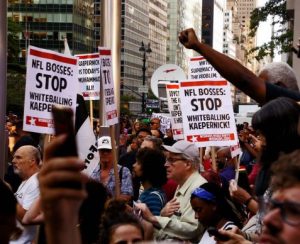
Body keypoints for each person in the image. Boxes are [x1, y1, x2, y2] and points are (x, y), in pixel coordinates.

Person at [178, 28, 300, 104]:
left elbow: (245, 80)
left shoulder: (292, 109)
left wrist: (199, 46)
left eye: (262, 85)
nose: (257, 101)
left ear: (279, 87)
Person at [135, 140, 207, 242]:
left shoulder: (198, 188)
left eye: (172, 160)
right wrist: (162, 214)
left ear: (188, 164)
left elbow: (193, 229)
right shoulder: (182, 184)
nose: (166, 164)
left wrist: (154, 218)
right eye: (167, 159)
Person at [10, 145, 41, 244]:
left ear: (32, 161)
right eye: (14, 157)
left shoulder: (36, 182)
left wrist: (7, 195)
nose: (13, 161)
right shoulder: (27, 180)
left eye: (18, 157)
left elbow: (25, 217)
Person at [91, 136, 133, 202]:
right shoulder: (91, 171)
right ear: (98, 151)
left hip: (114, 211)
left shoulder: (124, 171)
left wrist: (107, 202)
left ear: (114, 151)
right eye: (102, 150)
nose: (105, 153)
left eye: (108, 150)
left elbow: (126, 196)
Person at [133, 148, 167, 215]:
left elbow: (153, 223)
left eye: (138, 163)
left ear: (148, 168)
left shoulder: (153, 198)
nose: (134, 165)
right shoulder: (148, 192)